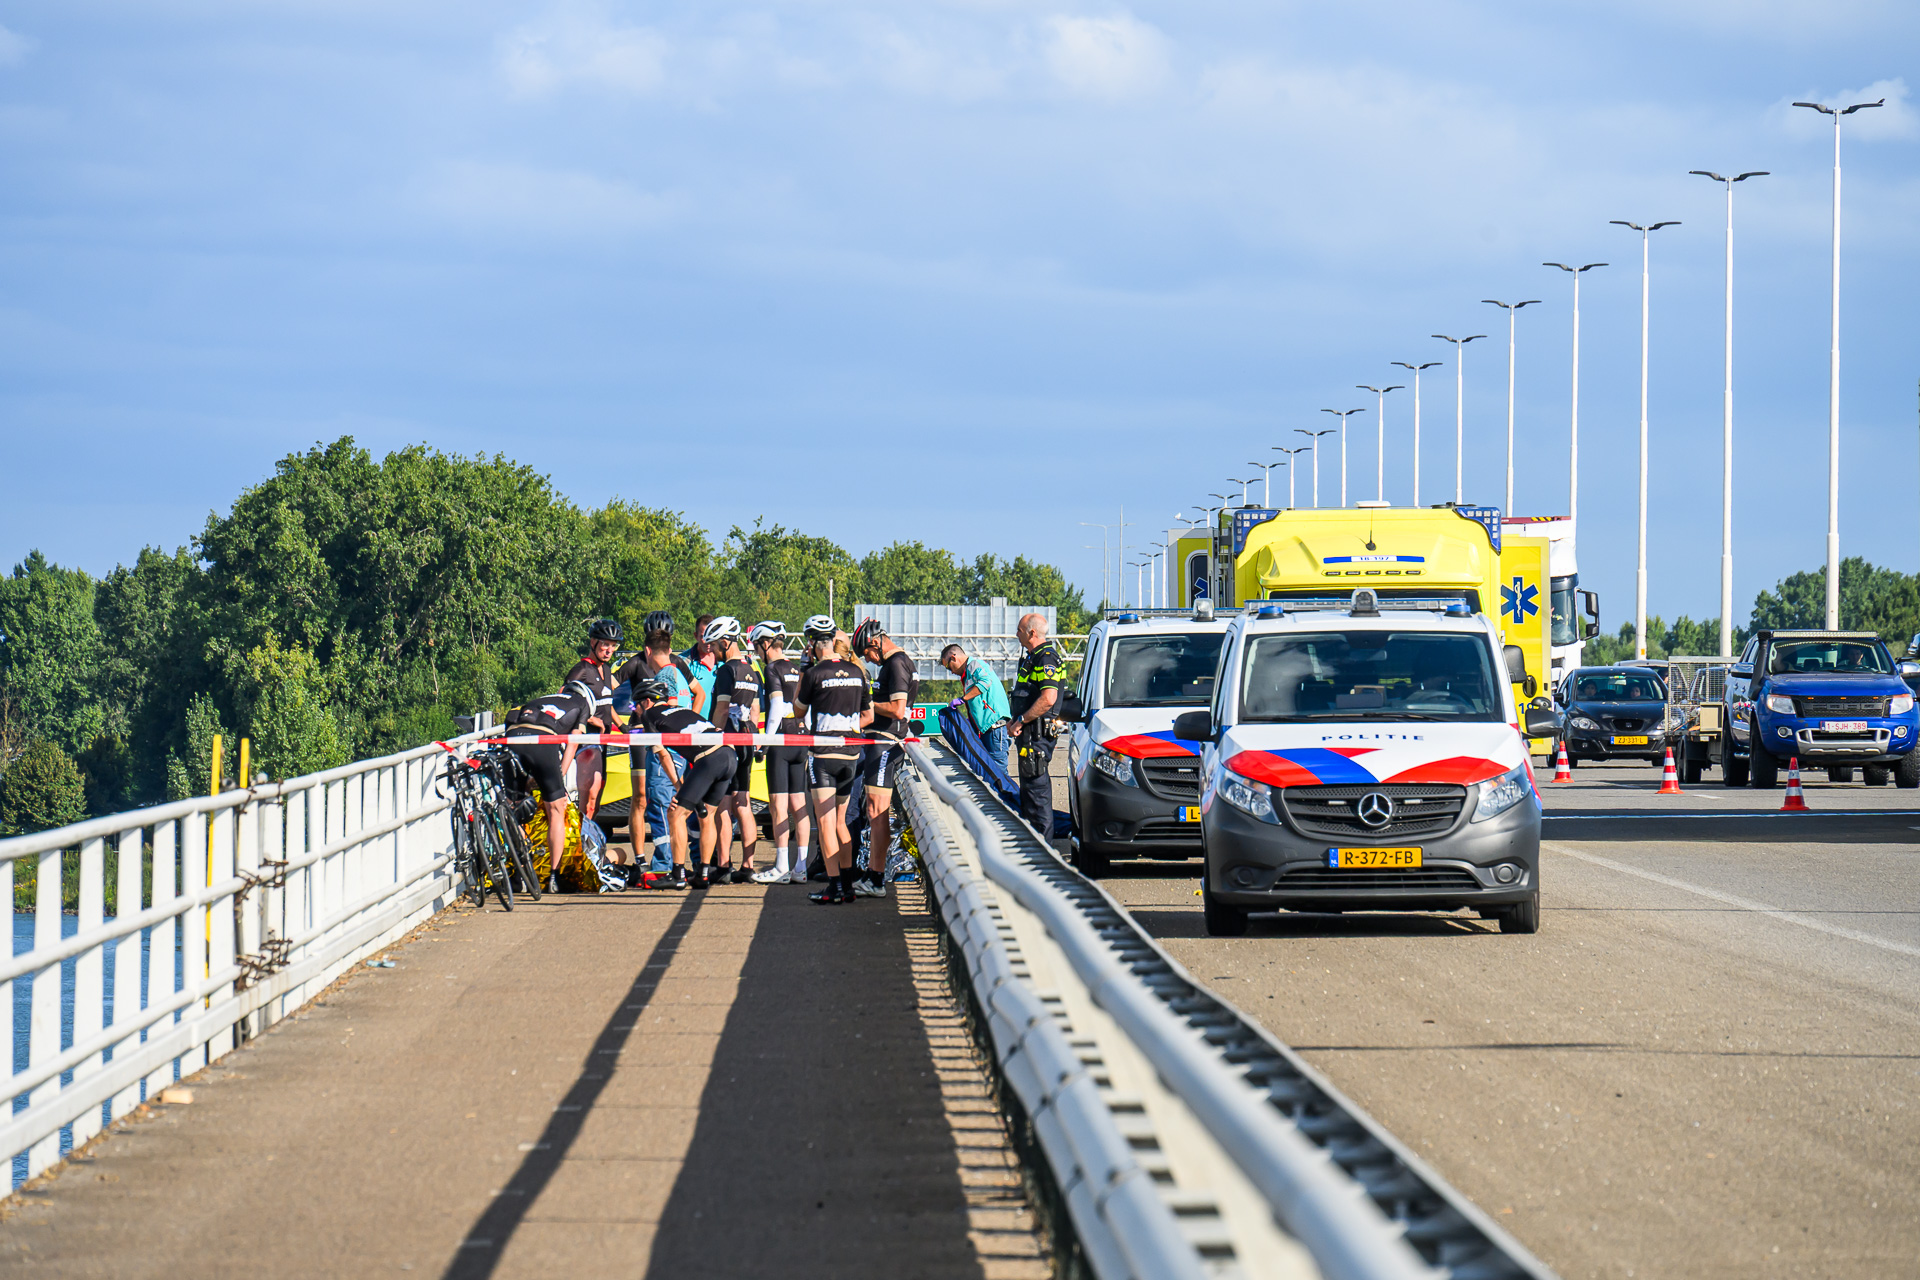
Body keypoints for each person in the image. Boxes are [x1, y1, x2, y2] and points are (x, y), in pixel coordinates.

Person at [616, 612, 702, 880]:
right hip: (653, 737)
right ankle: (658, 859)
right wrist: (621, 724)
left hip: (665, 741)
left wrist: (686, 723)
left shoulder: (670, 669)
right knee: (651, 799)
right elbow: (606, 692)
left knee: (663, 802)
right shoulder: (640, 664)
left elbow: (686, 699)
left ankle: (665, 862)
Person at [630, 677, 735, 890]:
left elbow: (663, 756)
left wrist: (679, 788)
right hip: (729, 755)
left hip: (708, 758)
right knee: (707, 815)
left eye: (636, 705)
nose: (636, 711)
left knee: (676, 813)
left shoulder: (651, 715)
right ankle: (703, 875)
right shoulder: (682, 710)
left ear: (647, 702)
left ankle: (677, 874)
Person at [794, 618, 870, 904]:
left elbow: (798, 711)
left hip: (823, 754)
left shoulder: (814, 673)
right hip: (850, 752)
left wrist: (804, 670)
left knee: (825, 823)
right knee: (841, 821)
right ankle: (848, 885)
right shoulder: (857, 671)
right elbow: (869, 715)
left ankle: (834, 886)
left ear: (813, 643)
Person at [503, 679, 604, 886]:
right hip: (543, 741)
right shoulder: (582, 704)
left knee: (514, 809)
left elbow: (511, 718)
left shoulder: (539, 700)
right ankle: (554, 877)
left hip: (512, 737)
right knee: (555, 809)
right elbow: (573, 743)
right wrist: (561, 774)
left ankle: (519, 870)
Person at [852, 619, 917, 899]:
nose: (867, 658)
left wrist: (867, 701)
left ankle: (877, 878)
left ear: (875, 643)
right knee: (874, 812)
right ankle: (873, 871)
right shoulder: (895, 663)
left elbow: (899, 709)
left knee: (878, 813)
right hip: (880, 742)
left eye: (866, 652)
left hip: (884, 742)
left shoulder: (896, 663)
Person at [750, 621, 811, 885]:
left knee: (778, 806)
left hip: (781, 739)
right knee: (800, 805)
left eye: (756, 647)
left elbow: (775, 707)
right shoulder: (797, 668)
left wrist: (765, 741)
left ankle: (782, 867)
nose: (755, 652)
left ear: (765, 645)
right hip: (801, 736)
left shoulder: (772, 668)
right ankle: (801, 867)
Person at [703, 616, 761, 884]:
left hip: (728, 741)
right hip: (747, 739)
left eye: (714, 646)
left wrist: (711, 737)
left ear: (725, 643)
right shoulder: (752, 670)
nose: (712, 651)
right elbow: (757, 709)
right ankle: (748, 865)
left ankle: (724, 865)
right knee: (744, 804)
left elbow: (722, 709)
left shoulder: (727, 671)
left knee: (724, 805)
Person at [1009, 613, 1066, 835]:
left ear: (1032, 633)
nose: (1017, 634)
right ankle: (1034, 842)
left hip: (1037, 737)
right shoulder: (1033, 657)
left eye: (1020, 630)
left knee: (1037, 794)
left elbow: (1049, 698)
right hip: (1029, 735)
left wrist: (1022, 720)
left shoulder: (1046, 658)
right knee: (1030, 794)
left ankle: (1043, 848)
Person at [565, 618, 622, 823]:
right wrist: (589, 719)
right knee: (589, 798)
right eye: (605, 644)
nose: (609, 650)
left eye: (613, 646)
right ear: (593, 642)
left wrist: (625, 728)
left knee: (596, 803)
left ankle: (587, 844)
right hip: (588, 740)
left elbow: (607, 705)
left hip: (604, 741)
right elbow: (563, 700)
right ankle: (578, 846)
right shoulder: (581, 669)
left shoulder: (606, 670)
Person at [941, 642, 1012, 766]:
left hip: (994, 727)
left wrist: (963, 699)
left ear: (954, 657)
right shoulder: (968, 673)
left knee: (998, 769)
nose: (951, 672)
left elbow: (985, 682)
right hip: (986, 728)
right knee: (988, 769)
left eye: (948, 666)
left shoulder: (974, 665)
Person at [681, 614, 721, 714]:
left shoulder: (725, 662)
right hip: (693, 726)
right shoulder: (683, 662)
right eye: (704, 637)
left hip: (719, 727)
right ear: (696, 636)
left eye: (711, 636)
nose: (708, 641)